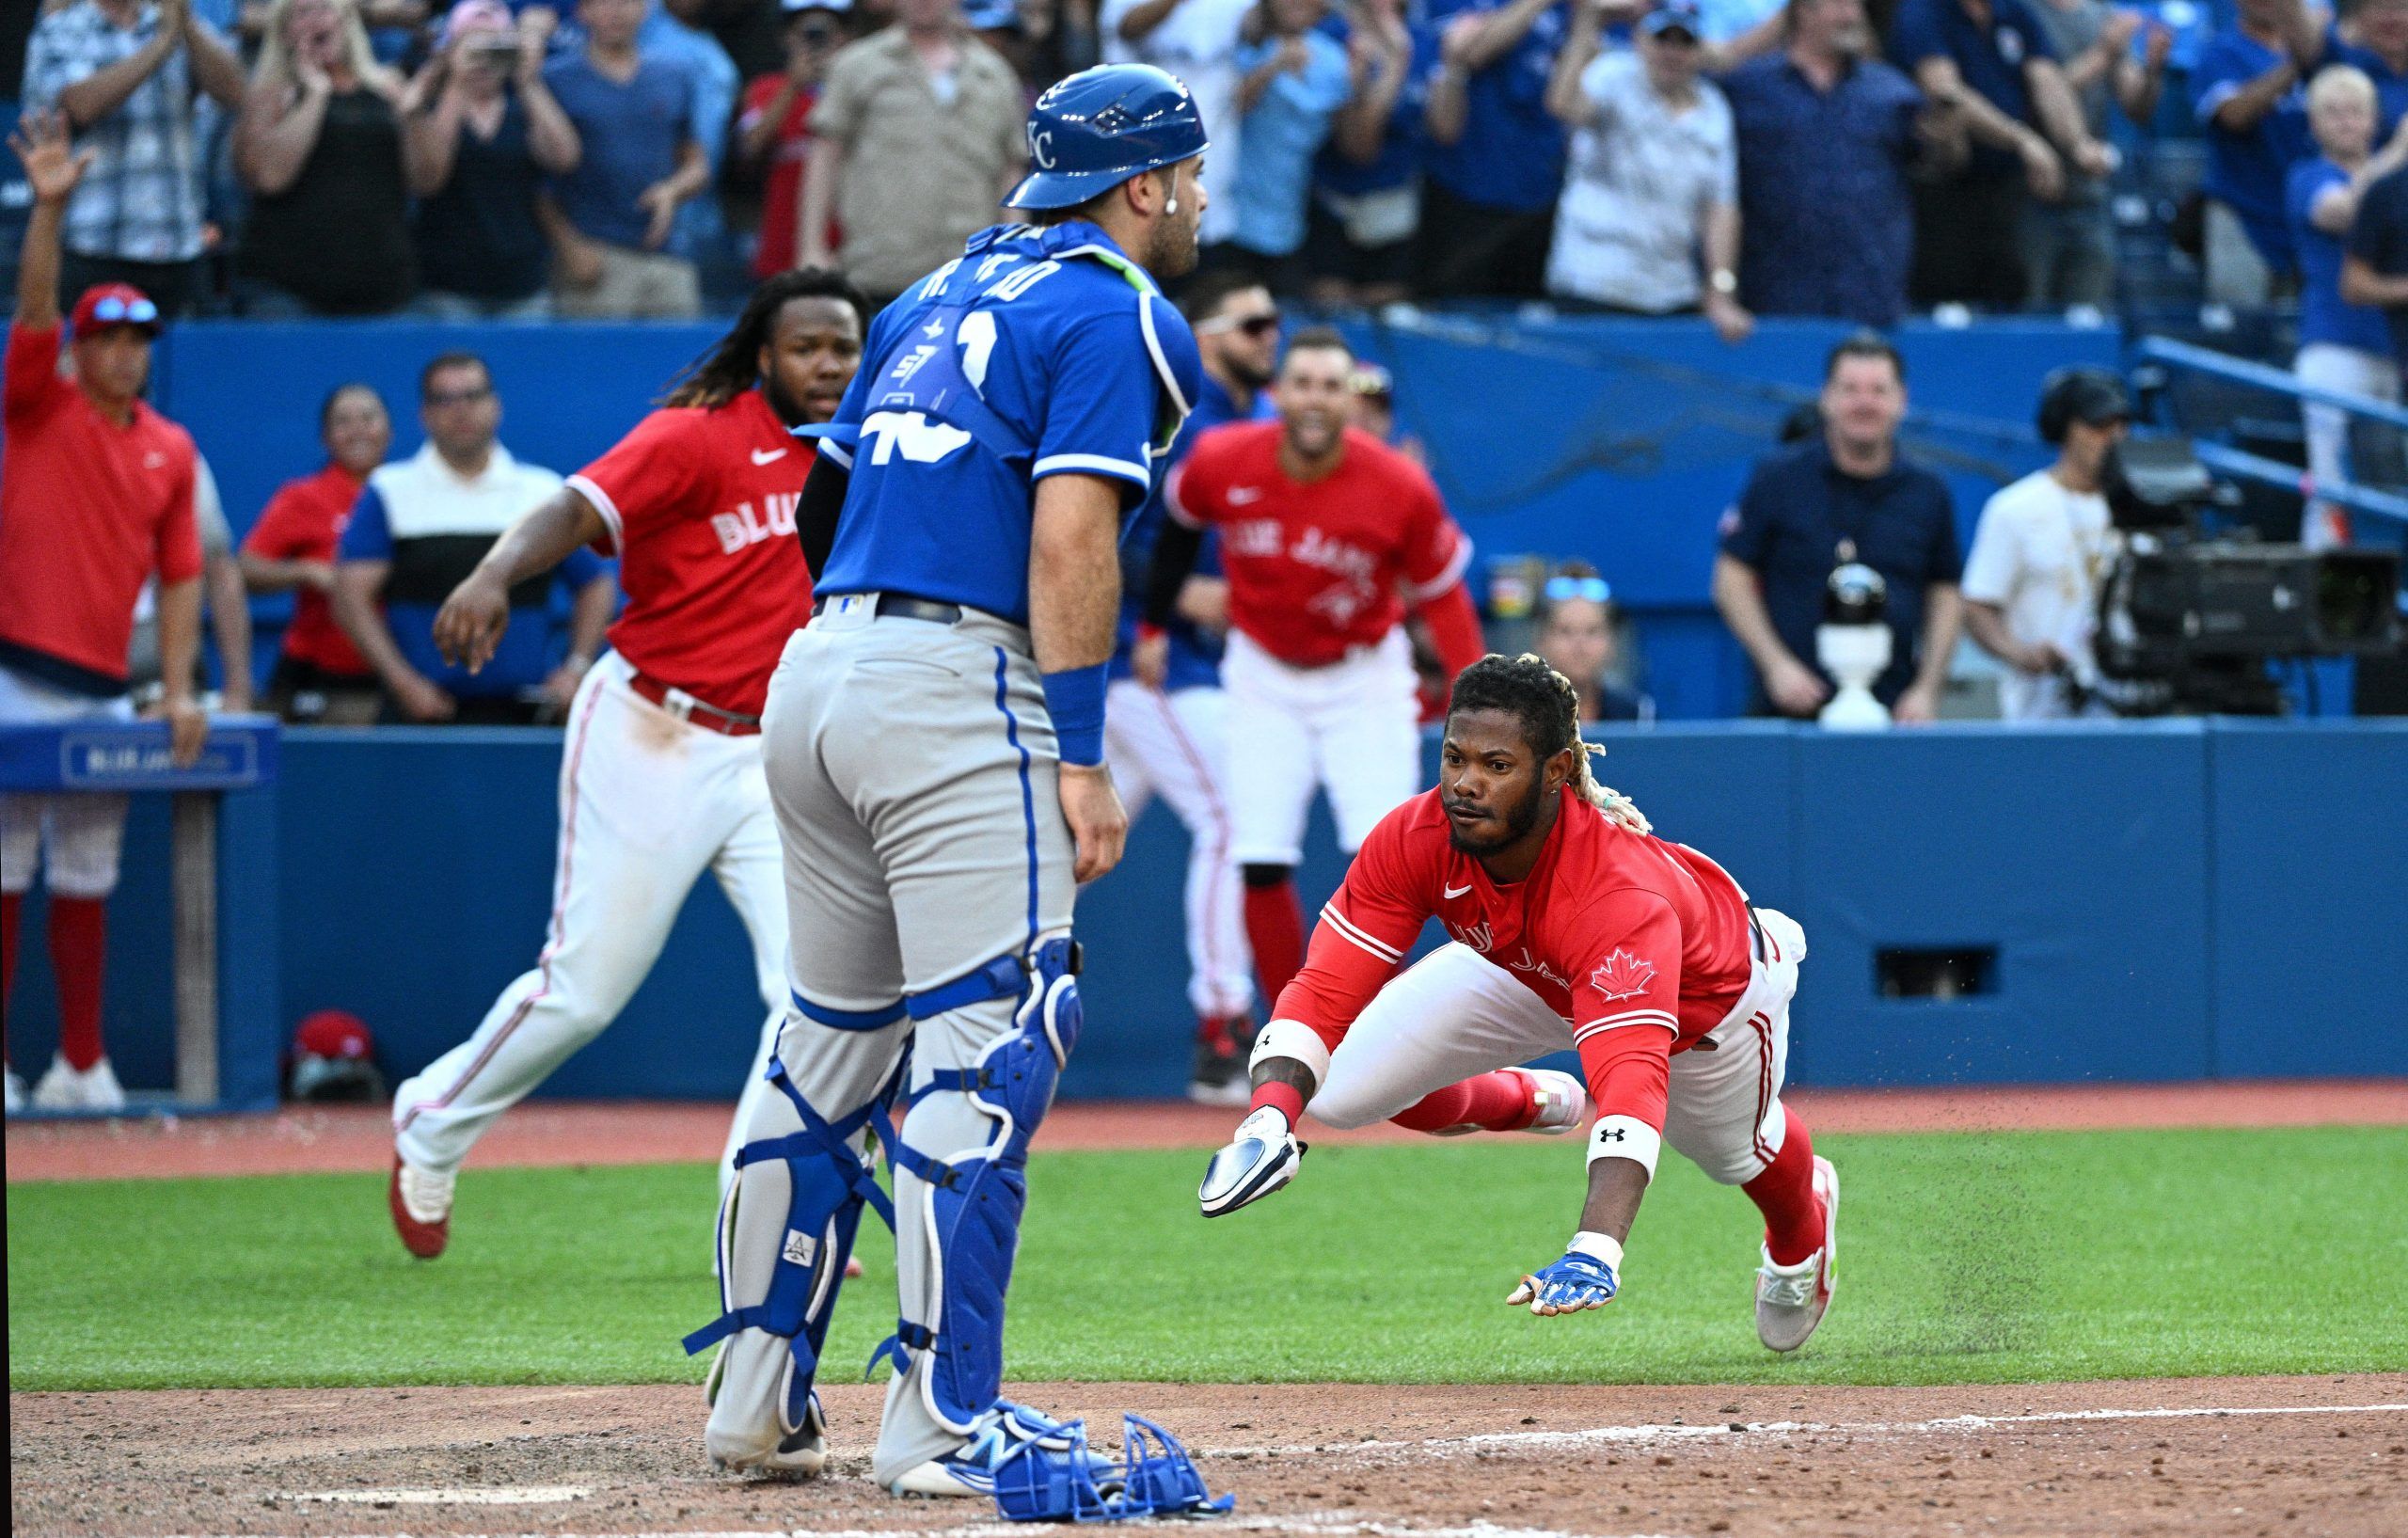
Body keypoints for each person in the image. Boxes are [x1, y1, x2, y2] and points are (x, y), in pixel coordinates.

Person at [689, 65, 1225, 1511]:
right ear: (1140, 184)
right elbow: (1070, 545)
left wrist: (860, 658)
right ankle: (939, 1417)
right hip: (959, 680)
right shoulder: (1113, 303)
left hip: (825, 668)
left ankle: (749, 1395)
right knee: (991, 1046)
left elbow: (820, 498)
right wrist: (1086, 748)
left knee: (826, 1045)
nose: (1197, 195)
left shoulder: (930, 289)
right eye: (1187, 170)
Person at [387, 272, 868, 1261]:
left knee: (815, 995)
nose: (829, 365)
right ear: (763, 355)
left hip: (774, 749)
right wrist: (489, 572)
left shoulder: (866, 450)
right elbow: (574, 507)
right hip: (656, 726)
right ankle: (431, 1120)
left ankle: (769, 1199)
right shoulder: (696, 434)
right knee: (585, 989)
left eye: (844, 347)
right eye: (808, 347)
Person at [1196, 652, 1838, 1357]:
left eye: (1497, 766)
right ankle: (1522, 1101)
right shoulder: (1417, 836)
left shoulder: (1616, 895)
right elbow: (1324, 989)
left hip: (1701, 1008)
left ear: (1557, 771)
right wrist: (1264, 1120)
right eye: (1454, 757)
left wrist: (1595, 1247)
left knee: (1735, 1155)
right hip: (1534, 969)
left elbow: (1629, 1084)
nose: (1466, 784)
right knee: (1341, 1086)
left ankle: (1800, 1239)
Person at [1139, 326, 1486, 1010]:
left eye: (1332, 385)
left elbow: (1444, 595)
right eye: (1302, 383)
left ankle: (1379, 1028)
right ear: (1277, 393)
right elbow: (1179, 525)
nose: (1315, 399)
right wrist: (1154, 624)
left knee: (1387, 858)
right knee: (1260, 854)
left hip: (1363, 675)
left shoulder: (1397, 483)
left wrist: (1474, 698)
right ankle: (1288, 1022)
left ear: (1351, 400)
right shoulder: (1223, 457)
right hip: (1263, 670)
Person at [0, 113, 208, 1118]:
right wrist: (49, 208)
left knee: (87, 873)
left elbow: (180, 581)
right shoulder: (40, 402)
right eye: (108, 339)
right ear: (81, 349)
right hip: (15, 671)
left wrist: (176, 690)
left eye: (137, 340)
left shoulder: (171, 446)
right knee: (2, 871)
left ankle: (81, 1064)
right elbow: (34, 308)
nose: (124, 355)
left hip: (106, 689)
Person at [1103, 273, 1276, 1105]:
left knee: (1061, 853)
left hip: (1191, 660)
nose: (1269, 337)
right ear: (1205, 336)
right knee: (1234, 817)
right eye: (1254, 323)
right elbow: (1104, 527)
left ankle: (956, 1007)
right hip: (1143, 658)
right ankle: (1221, 1030)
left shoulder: (1254, 424)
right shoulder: (1177, 416)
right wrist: (1170, 600)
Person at [330, 353, 615, 725]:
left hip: (526, 715)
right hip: (419, 716)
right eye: (445, 399)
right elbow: (351, 599)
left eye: (473, 396)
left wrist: (576, 669)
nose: (461, 410)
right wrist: (403, 684)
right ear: (424, 414)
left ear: (495, 406)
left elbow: (595, 583)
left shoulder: (542, 490)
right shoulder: (389, 489)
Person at [1712, 332, 1962, 721]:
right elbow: (1731, 579)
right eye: (1850, 389)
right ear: (1826, 397)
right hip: (1786, 712)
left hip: (1895, 715)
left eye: (1878, 390)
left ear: (1902, 399)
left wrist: (1928, 689)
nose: (1864, 403)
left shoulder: (1928, 491)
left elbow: (1946, 592)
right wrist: (1775, 664)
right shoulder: (1777, 478)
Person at [22, 0, 247, 318]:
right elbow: (81, 104)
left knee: (188, 364)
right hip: (94, 247)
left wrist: (187, 27)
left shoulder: (178, 25)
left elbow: (234, 92)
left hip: (179, 247)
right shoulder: (64, 29)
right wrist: (160, 46)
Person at [1886, 0, 2114, 309]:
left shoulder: (2013, 11)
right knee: (1948, 308)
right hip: (1944, 190)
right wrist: (2021, 139)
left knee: (2011, 301)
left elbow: (2047, 80)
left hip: (2007, 192)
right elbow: (1944, 88)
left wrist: (2077, 143)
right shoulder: (1924, 11)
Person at [799, 0, 1030, 304]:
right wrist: (810, 247)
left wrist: (1014, 249)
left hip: (972, 277)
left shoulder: (995, 74)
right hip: (880, 273)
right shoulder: (857, 65)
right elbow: (824, 158)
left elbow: (1010, 171)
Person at [1545, 1, 1751, 342]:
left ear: (1700, 50)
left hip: (1670, 291)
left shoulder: (1714, 110)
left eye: (1684, 42)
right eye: (1662, 39)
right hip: (1593, 282)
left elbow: (1720, 208)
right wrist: (1586, 28)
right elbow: (1563, 105)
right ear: (1640, 40)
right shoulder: (1612, 76)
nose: (1672, 52)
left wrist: (1720, 291)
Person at [1718, 0, 1929, 326]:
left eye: (1857, 6)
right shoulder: (1746, 87)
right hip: (1774, 292)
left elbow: (1935, 166)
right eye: (1840, 5)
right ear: (1804, 10)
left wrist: (1946, 135)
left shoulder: (1892, 92)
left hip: (1870, 292)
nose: (1853, 15)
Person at [1959, 367, 2127, 720]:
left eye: (2119, 427)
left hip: (2129, 709)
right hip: (2041, 711)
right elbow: (1977, 605)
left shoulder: (2144, 508)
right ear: (2064, 429)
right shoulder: (2016, 508)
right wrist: (2020, 653)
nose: (2111, 439)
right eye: (2098, 427)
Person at [232, 0, 418, 315]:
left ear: (346, 24)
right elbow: (269, 177)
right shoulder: (268, 93)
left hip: (382, 282)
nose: (315, 20)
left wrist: (416, 115)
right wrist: (316, 94)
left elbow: (424, 178)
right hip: (288, 287)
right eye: (302, 13)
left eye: (325, 9)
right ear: (285, 32)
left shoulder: (389, 88)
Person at [403, 0, 582, 320]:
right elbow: (430, 179)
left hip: (523, 282)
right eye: (473, 47)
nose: (484, 61)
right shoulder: (430, 108)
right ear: (452, 49)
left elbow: (565, 158)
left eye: (495, 48)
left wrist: (528, 79)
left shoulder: (524, 108)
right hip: (449, 284)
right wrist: (456, 83)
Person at [2290, 64, 2405, 550]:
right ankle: (2321, 589)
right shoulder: (2307, 175)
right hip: (2335, 347)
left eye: (2355, 112)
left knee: (2391, 484)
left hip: (2394, 353)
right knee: (2332, 480)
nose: (2345, 122)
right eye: (2332, 113)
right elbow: (2342, 210)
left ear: (2374, 119)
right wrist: (2398, 154)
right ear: (2313, 124)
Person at [540, 0, 712, 319]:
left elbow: (697, 163)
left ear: (645, 9)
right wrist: (569, 246)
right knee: (593, 365)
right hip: (595, 256)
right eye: (603, 3)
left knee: (680, 364)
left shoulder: (675, 75)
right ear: (582, 11)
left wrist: (672, 191)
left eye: (627, 2)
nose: (616, 11)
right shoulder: (554, 79)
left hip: (669, 257)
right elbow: (533, 179)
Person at [241, 383, 393, 723]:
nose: (357, 431)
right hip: (313, 672)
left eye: (368, 418)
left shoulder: (410, 493)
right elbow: (246, 569)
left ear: (389, 431)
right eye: (343, 422)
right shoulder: (303, 497)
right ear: (325, 437)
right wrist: (306, 572)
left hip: (395, 668)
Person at [2020, 0, 2166, 309]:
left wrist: (2154, 68)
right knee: (2029, 313)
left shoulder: (2102, 17)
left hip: (2090, 193)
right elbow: (2036, 97)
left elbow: (2136, 107)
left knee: (2089, 317)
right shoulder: (2022, 11)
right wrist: (2103, 54)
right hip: (2028, 190)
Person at [1420, 0, 1572, 297]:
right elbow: (1472, 53)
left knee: (1529, 326)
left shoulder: (1569, 10)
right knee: (1456, 319)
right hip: (1465, 190)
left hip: (1541, 194)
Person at [2192, 0, 2320, 306]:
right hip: (2241, 212)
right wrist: (2299, 64)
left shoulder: (2323, 54)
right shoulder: (2221, 52)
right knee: (2241, 329)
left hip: (2308, 212)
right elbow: (2234, 115)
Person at [1101, 0, 1252, 255]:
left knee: (1208, 262)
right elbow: (1126, 26)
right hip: (1147, 138)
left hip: (1215, 151)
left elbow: (1256, 25)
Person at [1221, 0, 1352, 292]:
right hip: (1232, 218)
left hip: (1292, 220)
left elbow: (1346, 139)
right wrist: (1273, 66)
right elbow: (1230, 113)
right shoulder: (1244, 43)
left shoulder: (1332, 57)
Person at [1306, 0, 1426, 307]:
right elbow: (1357, 149)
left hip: (1396, 206)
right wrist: (1390, 70)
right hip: (1333, 204)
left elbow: (1446, 133)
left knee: (1390, 330)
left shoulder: (1424, 38)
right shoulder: (1331, 38)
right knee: (1333, 321)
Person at [737, 0, 850, 279]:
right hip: (780, 253)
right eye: (806, 33)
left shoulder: (858, 93)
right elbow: (749, 149)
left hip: (848, 252)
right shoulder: (766, 89)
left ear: (844, 38)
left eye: (826, 33)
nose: (816, 42)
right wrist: (793, 85)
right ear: (787, 38)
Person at [1533, 563, 1651, 721]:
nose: (1580, 645)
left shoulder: (1639, 714)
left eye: (1592, 631)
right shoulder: (1518, 716)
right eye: (1566, 631)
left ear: (1612, 641)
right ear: (1541, 641)